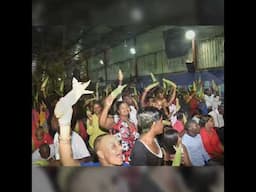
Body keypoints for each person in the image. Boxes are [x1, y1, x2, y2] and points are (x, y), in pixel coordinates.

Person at [54, 78, 128, 166]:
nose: (120, 148)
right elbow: (67, 162)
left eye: (119, 143)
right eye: (113, 146)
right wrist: (64, 124)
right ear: (101, 154)